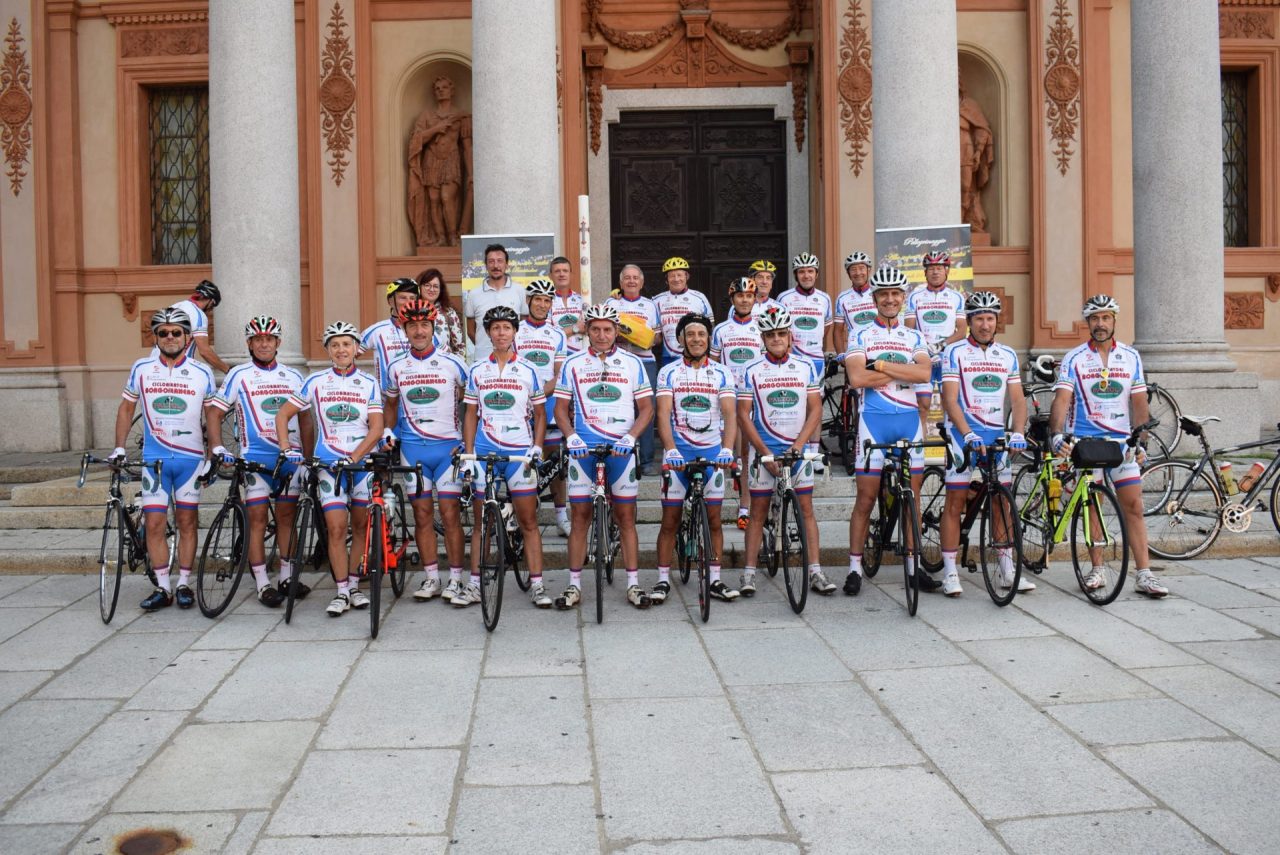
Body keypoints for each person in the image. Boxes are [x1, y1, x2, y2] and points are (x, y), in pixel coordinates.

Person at [1049, 295, 1168, 598]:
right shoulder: (1074, 358)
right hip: (1086, 444)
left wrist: (1141, 440)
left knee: (1135, 506)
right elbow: (1061, 400)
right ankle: (1097, 569)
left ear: (1114, 320)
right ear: (1087, 323)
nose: (1100, 324)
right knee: (1093, 508)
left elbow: (1139, 402)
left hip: (1121, 443)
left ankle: (1145, 574)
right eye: (1094, 319)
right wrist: (1057, 434)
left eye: (1105, 318)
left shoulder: (1131, 356)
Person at [274, 321, 384, 617]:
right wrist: (287, 448)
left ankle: (356, 586)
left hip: (361, 464)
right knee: (336, 527)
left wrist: (355, 456)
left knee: (360, 526)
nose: (341, 350)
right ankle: (342, 590)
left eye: (346, 344)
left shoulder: (369, 383)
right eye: (334, 345)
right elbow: (283, 415)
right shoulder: (315, 381)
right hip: (328, 465)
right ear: (328, 350)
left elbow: (376, 429)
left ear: (356, 349)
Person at [112, 308, 217, 611]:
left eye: (176, 332)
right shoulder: (142, 368)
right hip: (154, 460)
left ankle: (184, 583)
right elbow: (125, 409)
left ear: (187, 337)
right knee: (156, 524)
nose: (170, 337)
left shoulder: (202, 372)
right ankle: (163, 587)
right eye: (163, 333)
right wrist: (119, 447)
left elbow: (211, 413)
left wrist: (215, 452)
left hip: (190, 459)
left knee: (187, 522)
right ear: (156, 337)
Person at [844, 266, 940, 596]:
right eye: (883, 294)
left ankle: (913, 569)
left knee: (912, 501)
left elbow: (925, 373)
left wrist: (881, 366)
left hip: (909, 422)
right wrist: (905, 372)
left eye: (895, 294)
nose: (889, 299)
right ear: (874, 298)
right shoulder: (859, 334)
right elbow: (856, 378)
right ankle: (855, 567)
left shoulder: (914, 335)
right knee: (865, 499)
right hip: (874, 421)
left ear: (903, 298)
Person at [553, 303, 654, 610]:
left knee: (625, 518)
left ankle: (634, 586)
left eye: (607, 329)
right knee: (580, 518)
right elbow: (559, 408)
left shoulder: (632, 362)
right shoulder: (572, 364)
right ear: (588, 330)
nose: (600, 334)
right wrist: (570, 436)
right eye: (595, 329)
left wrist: (631, 436)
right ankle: (573, 586)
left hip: (621, 449)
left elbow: (647, 408)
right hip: (583, 450)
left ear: (615, 331)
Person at [208, 316, 310, 607]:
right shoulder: (238, 375)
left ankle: (287, 577)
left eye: (269, 339)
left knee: (288, 519)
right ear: (249, 344)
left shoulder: (294, 377)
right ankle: (263, 583)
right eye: (258, 340)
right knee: (257, 520)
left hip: (290, 460)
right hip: (255, 460)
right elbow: (214, 412)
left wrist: (308, 458)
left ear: (278, 343)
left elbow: (306, 420)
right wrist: (216, 447)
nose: (264, 344)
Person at [938, 292, 1033, 597]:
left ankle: (1006, 568)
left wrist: (1017, 431)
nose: (984, 324)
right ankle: (950, 572)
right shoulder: (954, 353)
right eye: (978, 318)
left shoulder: (1007, 355)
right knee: (954, 502)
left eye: (990, 318)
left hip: (995, 435)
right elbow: (949, 400)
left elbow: (1017, 401)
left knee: (1000, 502)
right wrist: (966, 434)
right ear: (968, 321)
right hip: (961, 435)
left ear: (997, 322)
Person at [737, 306, 835, 597]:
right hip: (765, 450)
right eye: (771, 335)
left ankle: (815, 570)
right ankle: (748, 573)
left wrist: (799, 446)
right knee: (757, 512)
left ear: (790, 336)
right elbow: (744, 415)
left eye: (781, 333)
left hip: (796, 449)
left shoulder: (806, 367)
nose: (777, 339)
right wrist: (764, 453)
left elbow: (815, 409)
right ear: (763, 338)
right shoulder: (751, 370)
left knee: (806, 510)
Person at [381, 299, 471, 604]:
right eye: (413, 326)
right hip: (413, 451)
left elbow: (473, 404)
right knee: (421, 516)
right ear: (405, 329)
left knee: (450, 516)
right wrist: (388, 432)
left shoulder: (454, 364)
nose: (419, 331)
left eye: (424, 325)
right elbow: (390, 406)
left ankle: (456, 578)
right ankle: (432, 576)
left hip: (448, 449)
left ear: (433, 328)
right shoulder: (396, 367)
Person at [460, 306, 549, 607]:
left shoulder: (529, 370)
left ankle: (537, 584)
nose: (501, 333)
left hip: (519, 450)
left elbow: (539, 413)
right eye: (495, 328)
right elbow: (470, 413)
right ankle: (474, 585)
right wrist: (469, 452)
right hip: (485, 450)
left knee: (528, 520)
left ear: (514, 332)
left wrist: (536, 446)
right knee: (480, 521)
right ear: (487, 333)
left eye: (506, 328)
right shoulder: (477, 370)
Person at [654, 313, 739, 603]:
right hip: (680, 452)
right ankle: (663, 579)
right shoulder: (668, 372)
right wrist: (670, 449)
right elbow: (663, 414)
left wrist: (727, 449)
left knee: (714, 521)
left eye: (702, 334)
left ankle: (715, 579)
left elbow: (729, 413)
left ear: (708, 339)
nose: (696, 339)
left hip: (712, 451)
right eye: (690, 334)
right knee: (670, 521)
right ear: (680, 339)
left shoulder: (722, 372)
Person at [516, 277, 571, 537]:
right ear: (529, 301)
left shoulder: (558, 334)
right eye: (537, 299)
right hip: (516, 403)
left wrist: (536, 395)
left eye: (547, 300)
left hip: (546, 402)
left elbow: (559, 374)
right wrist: (523, 396)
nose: (542, 304)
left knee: (553, 461)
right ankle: (522, 514)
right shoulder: (514, 330)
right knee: (518, 458)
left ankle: (561, 515)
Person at [711, 277, 765, 532]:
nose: (745, 300)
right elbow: (711, 364)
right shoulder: (721, 330)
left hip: (754, 398)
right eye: (740, 296)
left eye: (749, 296)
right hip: (727, 397)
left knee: (745, 456)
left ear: (755, 300)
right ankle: (713, 507)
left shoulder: (762, 327)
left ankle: (744, 508)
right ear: (732, 299)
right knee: (724, 454)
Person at [776, 252, 834, 468]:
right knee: (790, 404)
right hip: (792, 359)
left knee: (814, 406)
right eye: (802, 272)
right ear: (796, 275)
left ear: (816, 274)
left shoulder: (825, 298)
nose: (806, 275)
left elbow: (827, 328)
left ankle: (813, 452)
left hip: (815, 360)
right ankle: (790, 445)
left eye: (810, 271)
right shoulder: (784, 298)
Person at [605, 264, 661, 473]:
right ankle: (619, 456)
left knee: (647, 409)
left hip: (645, 362)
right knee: (617, 406)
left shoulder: (650, 305)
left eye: (635, 278)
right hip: (616, 361)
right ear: (620, 282)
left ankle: (646, 461)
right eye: (627, 278)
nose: (631, 281)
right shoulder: (611, 302)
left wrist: (643, 338)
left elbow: (657, 337)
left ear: (642, 282)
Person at [406, 75, 472, 247]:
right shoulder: (427, 116)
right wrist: (435, 129)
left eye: (444, 87)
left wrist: (471, 173)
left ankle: (452, 236)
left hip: (451, 158)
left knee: (446, 197)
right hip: (431, 159)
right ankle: (440, 237)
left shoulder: (461, 117)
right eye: (437, 89)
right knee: (433, 199)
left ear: (452, 90)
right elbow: (416, 139)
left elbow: (467, 147)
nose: (441, 91)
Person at [905, 250, 967, 421]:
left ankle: (952, 445)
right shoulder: (914, 297)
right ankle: (919, 447)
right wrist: (921, 350)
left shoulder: (957, 297)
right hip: (924, 358)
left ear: (947, 270)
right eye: (931, 268)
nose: (935, 272)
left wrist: (940, 346)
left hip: (947, 358)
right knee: (922, 406)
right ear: (925, 272)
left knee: (950, 405)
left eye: (939, 267)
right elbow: (909, 329)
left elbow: (962, 331)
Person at [464, 243, 528, 362]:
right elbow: (471, 331)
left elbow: (523, 325)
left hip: (513, 359)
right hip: (483, 359)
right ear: (486, 265)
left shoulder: (519, 290)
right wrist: (487, 346)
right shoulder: (474, 294)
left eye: (500, 261)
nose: (496, 266)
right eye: (491, 261)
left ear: (506, 265)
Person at [154, 279, 229, 373]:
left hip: (154, 365)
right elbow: (205, 351)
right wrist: (228, 370)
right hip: (177, 370)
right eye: (213, 306)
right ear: (210, 301)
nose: (210, 310)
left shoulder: (174, 306)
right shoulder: (198, 315)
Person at [653, 256, 714, 368]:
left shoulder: (699, 298)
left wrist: (711, 354)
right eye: (672, 275)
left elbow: (710, 327)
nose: (676, 279)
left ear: (687, 276)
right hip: (668, 357)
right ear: (667, 279)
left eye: (680, 275)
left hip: (696, 355)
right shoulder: (657, 300)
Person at [361, 278, 421, 386]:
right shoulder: (376, 331)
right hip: (386, 400)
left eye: (412, 298)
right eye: (402, 298)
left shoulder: (427, 330)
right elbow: (347, 355)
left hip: (416, 397)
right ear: (390, 301)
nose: (408, 302)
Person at [834, 251, 876, 355]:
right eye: (853, 269)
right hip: (855, 352)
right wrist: (840, 355)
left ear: (869, 270)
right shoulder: (842, 298)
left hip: (878, 350)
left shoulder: (878, 292)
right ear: (848, 274)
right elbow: (838, 331)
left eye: (861, 268)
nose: (858, 273)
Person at [416, 267, 466, 356]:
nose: (431, 289)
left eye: (435, 286)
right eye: (427, 285)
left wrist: (455, 366)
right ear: (419, 287)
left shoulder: (448, 313)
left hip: (443, 367)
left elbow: (460, 347)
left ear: (440, 290)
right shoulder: (411, 311)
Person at [548, 255, 588, 354]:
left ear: (571, 275)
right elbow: (548, 336)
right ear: (550, 276)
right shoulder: (545, 301)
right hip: (557, 355)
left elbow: (588, 329)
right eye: (557, 271)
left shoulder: (582, 300)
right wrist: (576, 328)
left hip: (581, 355)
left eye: (565, 271)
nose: (561, 274)